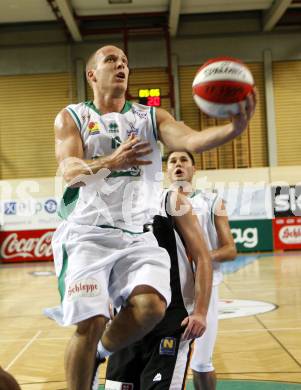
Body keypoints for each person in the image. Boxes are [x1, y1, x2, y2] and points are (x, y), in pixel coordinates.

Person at [52, 44, 255, 390]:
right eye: (111, 60)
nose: (121, 65)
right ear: (92, 74)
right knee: (91, 320)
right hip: (88, 234)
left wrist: (233, 129)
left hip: (137, 235)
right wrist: (110, 162)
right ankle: (93, 344)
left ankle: (101, 348)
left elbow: (192, 138)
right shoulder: (72, 116)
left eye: (125, 62)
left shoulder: (149, 117)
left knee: (151, 308)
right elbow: (70, 169)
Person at [104, 189, 213, 389]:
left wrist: (200, 312)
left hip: (170, 320)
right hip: (127, 320)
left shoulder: (170, 200)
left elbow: (203, 257)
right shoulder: (112, 206)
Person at [166, 150, 237, 390]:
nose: (178, 164)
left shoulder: (212, 201)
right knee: (164, 357)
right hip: (166, 289)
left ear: (194, 169)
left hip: (203, 289)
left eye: (184, 160)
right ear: (166, 170)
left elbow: (230, 250)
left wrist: (199, 258)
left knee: (202, 361)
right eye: (172, 161)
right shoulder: (156, 202)